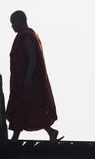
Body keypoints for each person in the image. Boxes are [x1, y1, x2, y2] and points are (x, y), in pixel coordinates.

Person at [6, 10, 61, 141]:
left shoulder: (27, 36)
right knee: (27, 107)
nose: (12, 26)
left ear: (21, 21)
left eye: (13, 23)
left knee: (27, 106)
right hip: (21, 80)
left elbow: (32, 57)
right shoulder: (23, 36)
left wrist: (29, 77)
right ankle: (50, 132)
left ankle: (16, 137)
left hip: (28, 80)